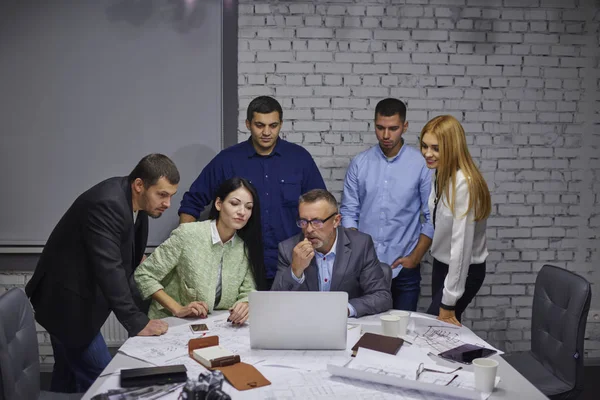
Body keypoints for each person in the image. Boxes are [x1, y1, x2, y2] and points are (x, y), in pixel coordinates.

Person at [25, 154, 180, 393]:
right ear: (139, 185)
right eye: (162, 194)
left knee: (67, 376)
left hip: (74, 298)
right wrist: (137, 322)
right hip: (66, 304)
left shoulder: (135, 202)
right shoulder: (107, 203)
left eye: (171, 196)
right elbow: (110, 268)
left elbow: (125, 257)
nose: (168, 203)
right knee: (107, 383)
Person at [178, 96, 326, 288]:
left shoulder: (299, 159)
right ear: (248, 124)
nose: (266, 132)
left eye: (273, 125)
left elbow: (321, 209)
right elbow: (192, 202)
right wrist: (186, 249)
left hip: (292, 262)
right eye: (259, 125)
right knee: (242, 317)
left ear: (281, 124)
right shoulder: (228, 160)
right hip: (239, 263)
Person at [340, 98, 433, 311]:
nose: (386, 135)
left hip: (404, 267)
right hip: (364, 267)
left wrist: (415, 258)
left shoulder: (421, 164)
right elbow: (348, 211)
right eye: (380, 128)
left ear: (405, 126)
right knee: (363, 331)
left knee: (401, 335)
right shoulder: (360, 163)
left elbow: (432, 217)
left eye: (393, 128)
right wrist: (356, 256)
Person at [135, 177, 264, 325]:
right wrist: (178, 308)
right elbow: (144, 275)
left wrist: (245, 303)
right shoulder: (187, 234)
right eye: (235, 203)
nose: (242, 212)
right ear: (218, 204)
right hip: (172, 323)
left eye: (248, 207)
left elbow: (248, 289)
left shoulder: (243, 247)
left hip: (217, 326)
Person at [271, 189, 392, 317]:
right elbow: (274, 303)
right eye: (303, 222)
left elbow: (381, 296)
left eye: (317, 222)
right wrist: (295, 271)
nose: (309, 229)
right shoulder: (288, 249)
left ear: (336, 221)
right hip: (305, 325)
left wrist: (344, 309)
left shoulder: (360, 245)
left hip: (347, 326)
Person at [420, 115, 491, 326]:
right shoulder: (440, 173)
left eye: (436, 148)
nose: (427, 153)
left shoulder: (464, 185)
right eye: (424, 146)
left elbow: (461, 247)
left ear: (452, 147)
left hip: (464, 269)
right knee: (442, 333)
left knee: (438, 326)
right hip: (441, 264)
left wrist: (449, 302)